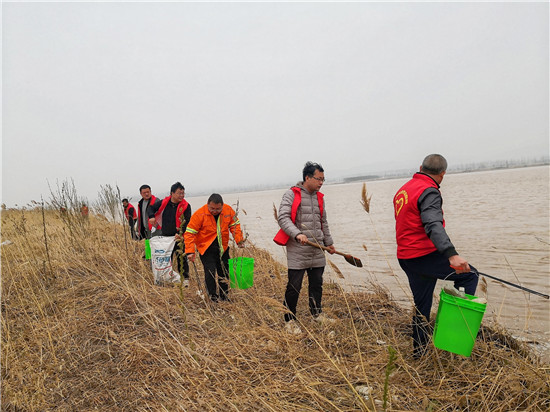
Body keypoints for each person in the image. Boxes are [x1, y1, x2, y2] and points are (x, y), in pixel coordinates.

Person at [393, 154, 479, 358]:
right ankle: (455, 338)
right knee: (469, 275)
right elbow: (432, 224)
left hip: (406, 257)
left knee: (422, 305)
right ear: (442, 175)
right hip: (422, 255)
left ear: (421, 167)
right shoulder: (429, 191)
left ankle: (419, 353)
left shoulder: (404, 189)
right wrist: (452, 255)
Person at [276, 161, 336, 335]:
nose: (321, 183)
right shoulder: (291, 195)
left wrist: (329, 242)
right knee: (294, 286)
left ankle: (317, 314)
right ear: (307, 177)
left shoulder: (319, 197)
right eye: (318, 179)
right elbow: (283, 218)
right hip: (298, 248)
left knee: (317, 284)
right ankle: (289, 320)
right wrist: (297, 234)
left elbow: (323, 222)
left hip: (316, 248)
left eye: (323, 179)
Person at [184, 193, 244, 302]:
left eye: (218, 209)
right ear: (207, 205)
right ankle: (212, 297)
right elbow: (189, 233)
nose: (215, 211)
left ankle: (224, 296)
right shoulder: (199, 214)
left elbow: (235, 225)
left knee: (224, 272)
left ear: (222, 206)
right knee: (210, 272)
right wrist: (190, 251)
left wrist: (239, 240)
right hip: (206, 248)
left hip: (223, 248)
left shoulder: (228, 210)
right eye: (212, 208)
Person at [148, 182, 192, 286]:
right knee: (166, 258)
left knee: (182, 257)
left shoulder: (186, 206)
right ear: (172, 193)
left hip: (178, 237)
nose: (181, 195)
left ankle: (185, 278)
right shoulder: (164, 202)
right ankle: (166, 277)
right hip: (165, 237)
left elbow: (187, 222)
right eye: (179, 193)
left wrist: (180, 234)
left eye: (183, 193)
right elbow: (151, 209)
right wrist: (151, 217)